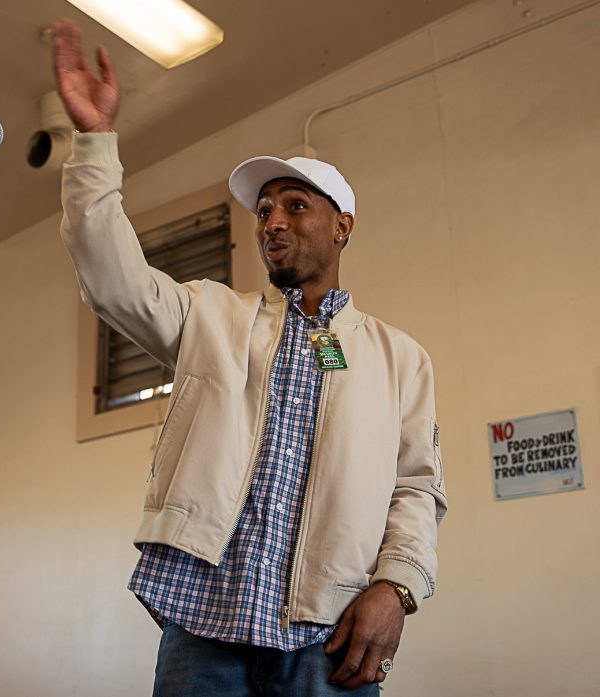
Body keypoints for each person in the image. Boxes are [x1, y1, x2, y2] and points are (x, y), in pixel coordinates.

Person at [51, 18, 447, 697]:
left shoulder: (399, 358)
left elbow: (417, 487)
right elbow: (112, 279)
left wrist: (398, 586)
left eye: (296, 205)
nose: (273, 222)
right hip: (204, 624)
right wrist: (94, 145)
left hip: (329, 634)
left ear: (343, 225)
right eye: (264, 210)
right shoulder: (210, 314)